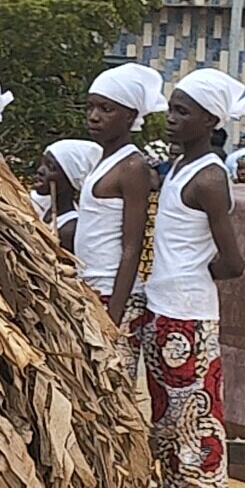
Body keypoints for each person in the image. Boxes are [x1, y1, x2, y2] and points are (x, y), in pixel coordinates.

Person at [141, 68, 245, 488]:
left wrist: (189, 283)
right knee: (169, 438)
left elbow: (234, 262)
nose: (172, 117)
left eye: (183, 111)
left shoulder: (208, 176)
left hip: (189, 318)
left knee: (198, 442)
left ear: (210, 120)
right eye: (172, 107)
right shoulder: (182, 167)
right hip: (166, 314)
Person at [77, 63, 164, 361]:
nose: (94, 116)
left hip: (113, 294)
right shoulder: (102, 160)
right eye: (90, 107)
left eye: (106, 109)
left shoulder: (132, 166)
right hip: (91, 288)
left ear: (129, 116)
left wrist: (113, 316)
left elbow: (132, 245)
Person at [36, 138, 103, 254]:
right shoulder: (42, 208)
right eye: (42, 163)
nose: (40, 170)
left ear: (71, 178)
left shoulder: (70, 229)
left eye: (51, 167)